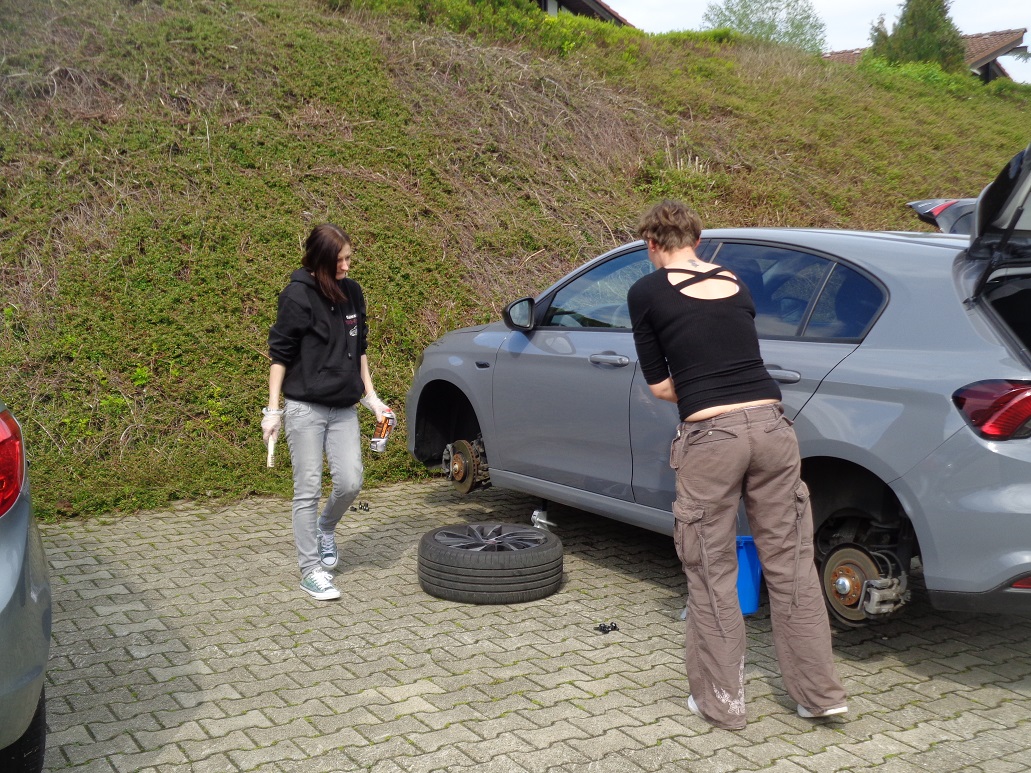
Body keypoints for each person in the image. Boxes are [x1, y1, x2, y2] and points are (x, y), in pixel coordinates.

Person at [626, 200, 847, 730]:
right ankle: (820, 696)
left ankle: (720, 702)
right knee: (792, 564)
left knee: (710, 570)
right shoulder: (734, 280)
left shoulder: (646, 291)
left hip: (713, 435)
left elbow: (660, 385)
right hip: (773, 426)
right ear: (696, 240)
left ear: (652, 245)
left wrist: (703, 391)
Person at [262, 224, 392, 601]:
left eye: (349, 258)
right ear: (320, 261)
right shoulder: (297, 296)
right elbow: (280, 355)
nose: (348, 266)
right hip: (305, 408)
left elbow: (360, 348)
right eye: (341, 260)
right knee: (307, 489)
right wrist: (273, 411)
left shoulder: (352, 294)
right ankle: (310, 571)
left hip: (343, 407)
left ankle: (326, 527)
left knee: (351, 482)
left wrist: (372, 397)